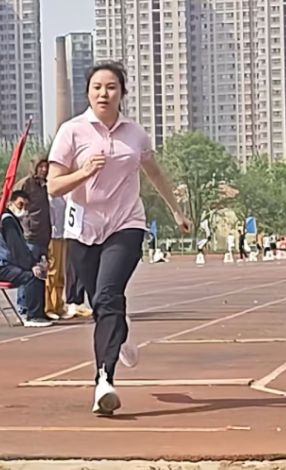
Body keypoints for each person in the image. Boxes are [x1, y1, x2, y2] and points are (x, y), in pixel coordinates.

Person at [48, 61, 191, 416]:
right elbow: (53, 186)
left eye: (111, 87)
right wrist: (83, 172)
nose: (104, 93)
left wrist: (176, 211)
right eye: (97, 87)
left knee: (110, 296)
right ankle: (120, 333)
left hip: (126, 224)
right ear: (87, 93)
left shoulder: (135, 134)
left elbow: (154, 172)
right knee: (100, 303)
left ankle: (104, 381)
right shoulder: (71, 132)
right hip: (83, 230)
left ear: (122, 93)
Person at [0, 189, 51, 327]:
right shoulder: (7, 221)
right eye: (20, 204)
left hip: (7, 266)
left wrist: (35, 264)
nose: (23, 209)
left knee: (39, 274)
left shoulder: (13, 221)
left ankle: (39, 313)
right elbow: (17, 249)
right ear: (9, 203)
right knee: (31, 277)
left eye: (26, 206)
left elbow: (22, 250)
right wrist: (31, 266)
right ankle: (31, 315)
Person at [16, 158, 51, 316]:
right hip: (29, 235)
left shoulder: (46, 185)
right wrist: (23, 222)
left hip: (44, 235)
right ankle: (23, 308)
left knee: (41, 275)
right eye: (40, 166)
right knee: (28, 272)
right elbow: (12, 201)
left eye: (46, 166)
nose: (44, 169)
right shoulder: (26, 184)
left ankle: (37, 309)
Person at [45, 192, 68, 319]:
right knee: (51, 273)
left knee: (60, 273)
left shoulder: (63, 196)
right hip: (52, 237)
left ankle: (58, 305)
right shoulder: (48, 196)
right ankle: (48, 307)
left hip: (62, 236)